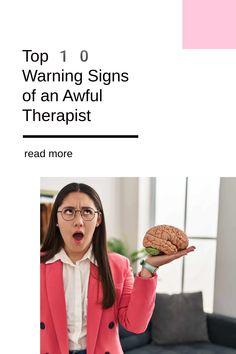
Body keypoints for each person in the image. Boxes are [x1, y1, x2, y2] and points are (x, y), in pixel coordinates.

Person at [40, 182, 195, 354]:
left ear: (98, 219)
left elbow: (136, 325)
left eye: (87, 212)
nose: (79, 221)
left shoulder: (119, 265)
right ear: (56, 218)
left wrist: (149, 267)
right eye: (69, 211)